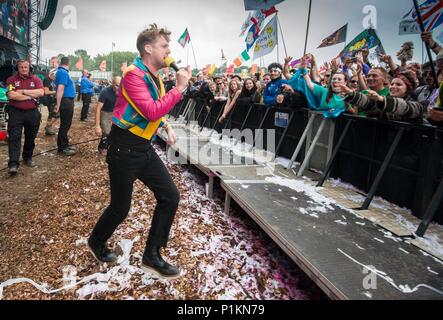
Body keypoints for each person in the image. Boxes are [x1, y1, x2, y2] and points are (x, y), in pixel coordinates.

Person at [88, 24, 191, 279]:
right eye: (164, 45)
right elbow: (152, 110)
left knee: (170, 196)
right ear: (148, 48)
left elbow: (157, 110)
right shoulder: (134, 74)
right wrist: (178, 89)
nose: (169, 50)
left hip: (143, 148)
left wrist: (166, 126)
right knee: (120, 208)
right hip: (123, 149)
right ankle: (96, 242)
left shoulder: (153, 76)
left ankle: (152, 256)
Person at [6, 59, 44, 175]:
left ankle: (27, 157)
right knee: (14, 137)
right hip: (15, 113)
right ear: (17, 68)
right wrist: (30, 96)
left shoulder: (36, 79)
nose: (23, 69)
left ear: (29, 68)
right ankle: (13, 163)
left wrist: (22, 91)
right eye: (21, 67)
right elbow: (11, 95)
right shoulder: (11, 80)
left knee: (30, 137)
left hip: (32, 113)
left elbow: (41, 92)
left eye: (26, 67)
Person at [54, 57, 77, 156]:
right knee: (65, 125)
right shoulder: (63, 72)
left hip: (66, 100)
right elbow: (60, 89)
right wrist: (58, 104)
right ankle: (63, 147)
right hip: (66, 101)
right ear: (69, 63)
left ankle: (64, 144)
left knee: (65, 124)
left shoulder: (61, 71)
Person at [95, 76, 121, 153]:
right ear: (112, 84)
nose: (119, 88)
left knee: (115, 131)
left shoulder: (123, 91)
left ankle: (109, 146)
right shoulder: (105, 92)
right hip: (105, 112)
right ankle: (102, 148)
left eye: (120, 85)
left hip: (115, 112)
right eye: (117, 85)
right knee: (107, 132)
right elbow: (98, 108)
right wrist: (97, 126)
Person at [41, 69, 57, 136]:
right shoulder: (47, 80)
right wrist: (57, 92)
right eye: (55, 75)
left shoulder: (52, 80)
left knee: (55, 114)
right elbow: (46, 92)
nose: (55, 77)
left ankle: (48, 127)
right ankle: (48, 127)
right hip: (49, 100)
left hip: (52, 99)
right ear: (51, 74)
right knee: (54, 114)